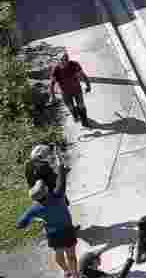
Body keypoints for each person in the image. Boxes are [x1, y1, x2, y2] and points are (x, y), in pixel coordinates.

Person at [16, 147, 78, 278]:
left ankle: (66, 272)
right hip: (67, 231)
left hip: (53, 235)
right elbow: (61, 177)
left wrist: (32, 220)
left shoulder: (35, 208)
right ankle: (76, 275)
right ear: (46, 190)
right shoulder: (58, 195)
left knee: (59, 254)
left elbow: (20, 224)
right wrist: (60, 161)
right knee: (71, 256)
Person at [50, 50, 92, 127]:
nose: (64, 62)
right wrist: (53, 96)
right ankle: (75, 114)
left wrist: (88, 85)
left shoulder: (74, 65)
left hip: (77, 90)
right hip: (65, 92)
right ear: (58, 61)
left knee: (81, 105)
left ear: (68, 59)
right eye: (62, 60)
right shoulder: (56, 70)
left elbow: (82, 75)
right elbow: (52, 84)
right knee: (71, 107)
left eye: (66, 59)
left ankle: (85, 121)